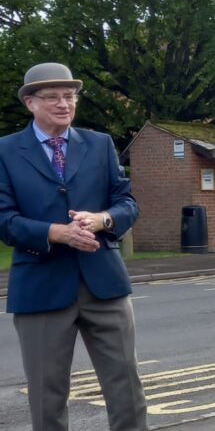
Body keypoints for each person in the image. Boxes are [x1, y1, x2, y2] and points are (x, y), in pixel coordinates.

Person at [0, 63, 147, 430]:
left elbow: (127, 204)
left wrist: (102, 220)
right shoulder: (5, 151)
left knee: (126, 387)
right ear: (30, 103)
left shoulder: (99, 144)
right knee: (47, 396)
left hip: (105, 284)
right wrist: (55, 232)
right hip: (41, 286)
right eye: (52, 97)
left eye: (69, 96)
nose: (64, 104)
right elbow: (4, 218)